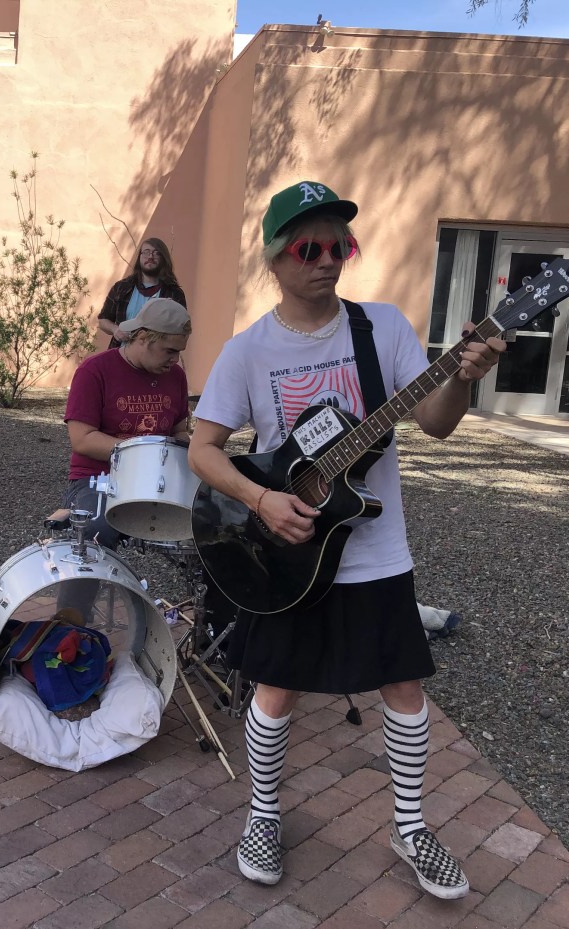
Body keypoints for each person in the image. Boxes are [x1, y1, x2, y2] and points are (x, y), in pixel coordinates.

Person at [187, 180, 505, 901]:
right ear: (276, 258)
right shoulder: (248, 351)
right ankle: (264, 814)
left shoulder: (382, 329)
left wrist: (463, 378)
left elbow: (437, 421)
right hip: (287, 550)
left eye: (339, 245)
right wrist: (263, 498)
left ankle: (412, 824)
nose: (327, 259)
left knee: (403, 684)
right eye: (309, 247)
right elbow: (203, 451)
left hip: (376, 548)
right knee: (277, 686)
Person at [62, 297, 192, 549]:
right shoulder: (94, 371)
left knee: (214, 528)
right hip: (99, 478)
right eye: (170, 351)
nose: (175, 359)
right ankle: (82, 588)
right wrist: (145, 453)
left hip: (161, 481)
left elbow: (179, 431)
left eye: (179, 352)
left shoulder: (175, 376)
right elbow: (82, 439)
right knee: (94, 534)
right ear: (142, 337)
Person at [97, 238, 187, 349]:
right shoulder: (122, 287)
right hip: (120, 354)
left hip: (155, 359)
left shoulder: (174, 293)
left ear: (164, 258)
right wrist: (115, 330)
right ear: (139, 257)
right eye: (146, 252)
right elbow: (103, 320)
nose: (150, 256)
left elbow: (182, 330)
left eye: (156, 253)